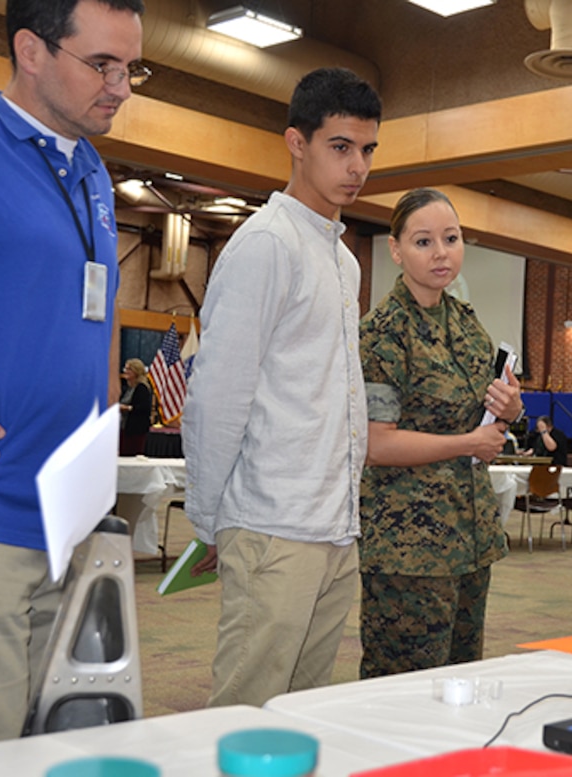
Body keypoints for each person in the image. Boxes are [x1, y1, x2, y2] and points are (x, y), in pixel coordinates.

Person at [182, 67, 380, 707]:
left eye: (368, 150)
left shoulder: (343, 258)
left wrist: (345, 516)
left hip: (333, 526)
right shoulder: (266, 244)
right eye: (341, 147)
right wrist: (210, 518)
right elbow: (218, 394)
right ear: (297, 142)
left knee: (302, 714)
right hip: (270, 523)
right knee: (245, 713)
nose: (357, 167)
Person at [0, 0, 145, 742]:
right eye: (102, 65)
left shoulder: (91, 171)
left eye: (131, 68)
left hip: (67, 518)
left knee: (52, 738)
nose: (121, 87)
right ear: (30, 49)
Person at [358, 187, 523, 679]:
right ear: (396, 250)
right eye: (423, 241)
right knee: (402, 686)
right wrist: (469, 444)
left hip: (469, 535)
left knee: (461, 678)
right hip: (408, 545)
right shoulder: (382, 333)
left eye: (450, 239)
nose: (440, 253)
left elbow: (484, 418)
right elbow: (377, 443)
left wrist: (509, 409)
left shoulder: (468, 326)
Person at [118, 357, 152, 456]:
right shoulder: (128, 388)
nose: (125, 371)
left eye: (129, 369)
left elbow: (144, 408)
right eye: (125, 369)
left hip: (135, 430)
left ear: (136, 372)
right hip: (124, 427)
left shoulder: (142, 388)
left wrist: (127, 408)